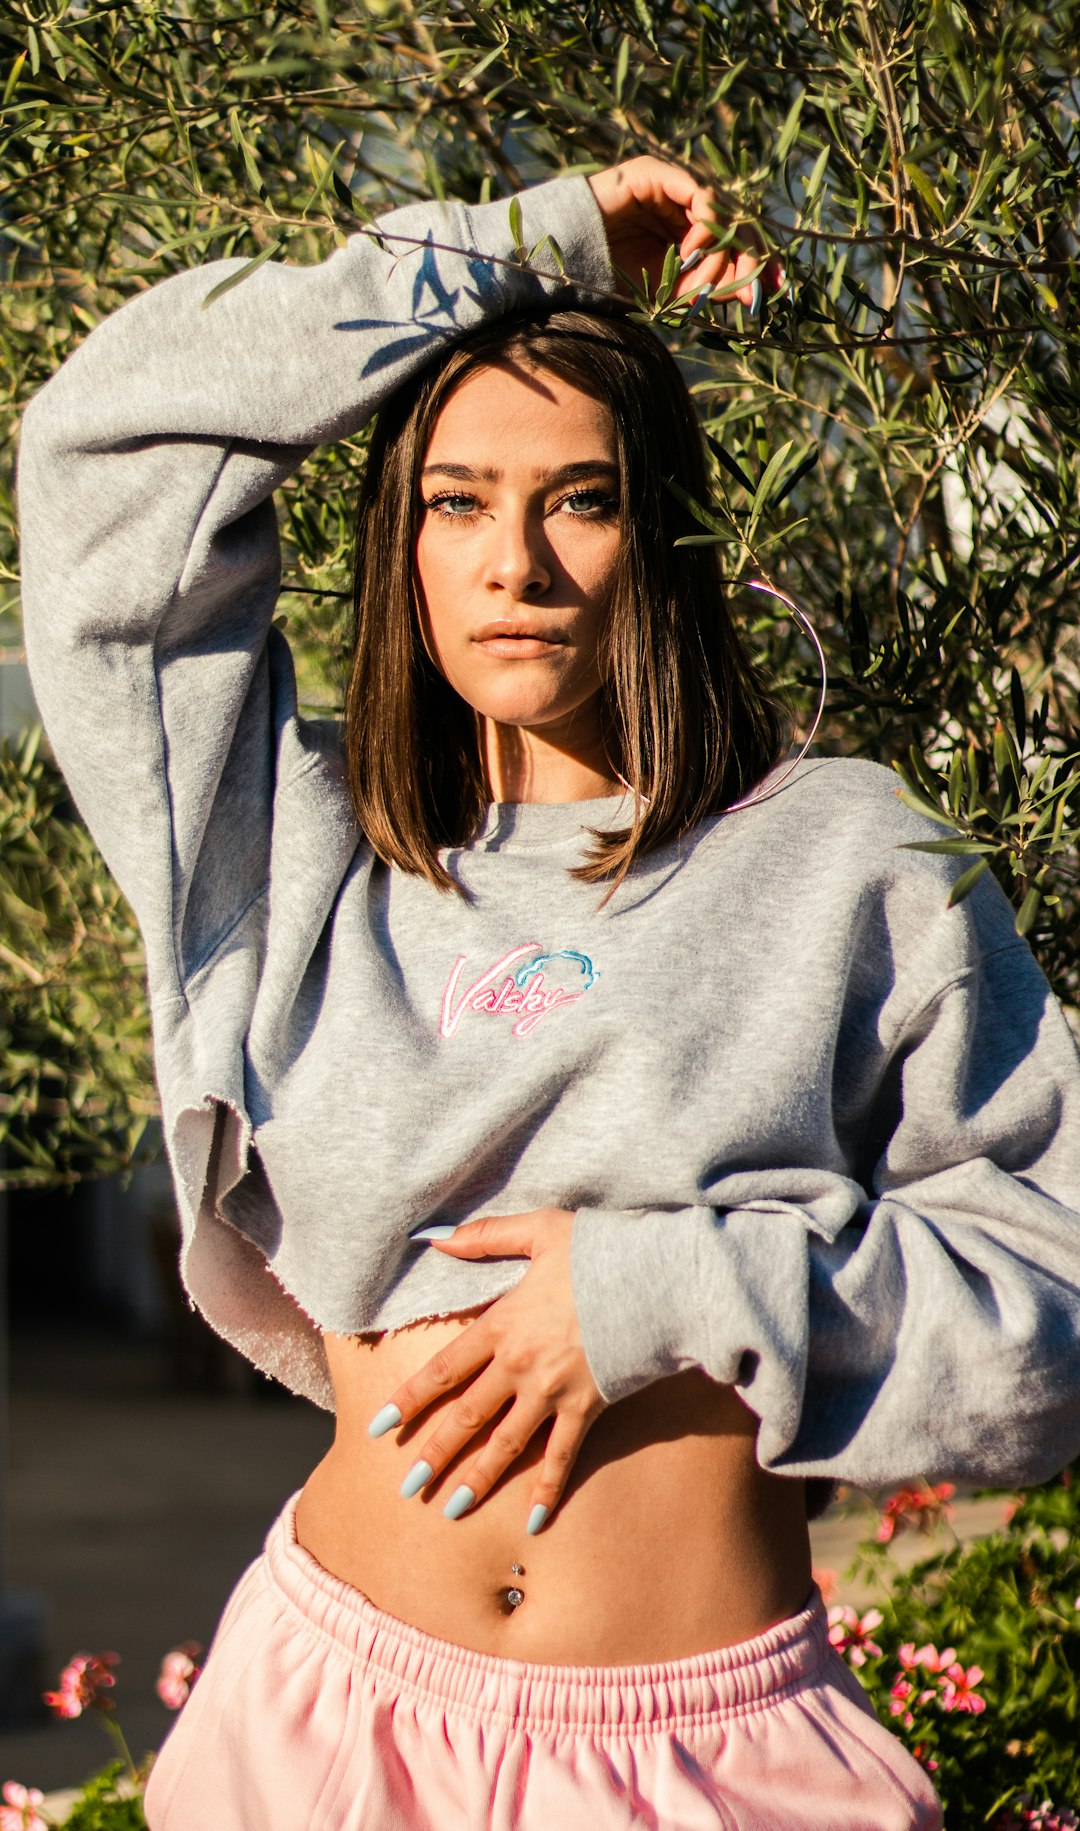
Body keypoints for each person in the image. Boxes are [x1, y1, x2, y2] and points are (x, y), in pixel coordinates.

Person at [17, 155, 1080, 1831]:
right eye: (456, 501)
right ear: (402, 541)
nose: (513, 560)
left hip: (713, 1759)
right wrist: (523, 254)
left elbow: (1054, 1318)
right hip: (320, 1725)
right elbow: (104, 450)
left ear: (661, 533)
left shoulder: (847, 859)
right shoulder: (282, 843)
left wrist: (672, 1287)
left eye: (577, 496)